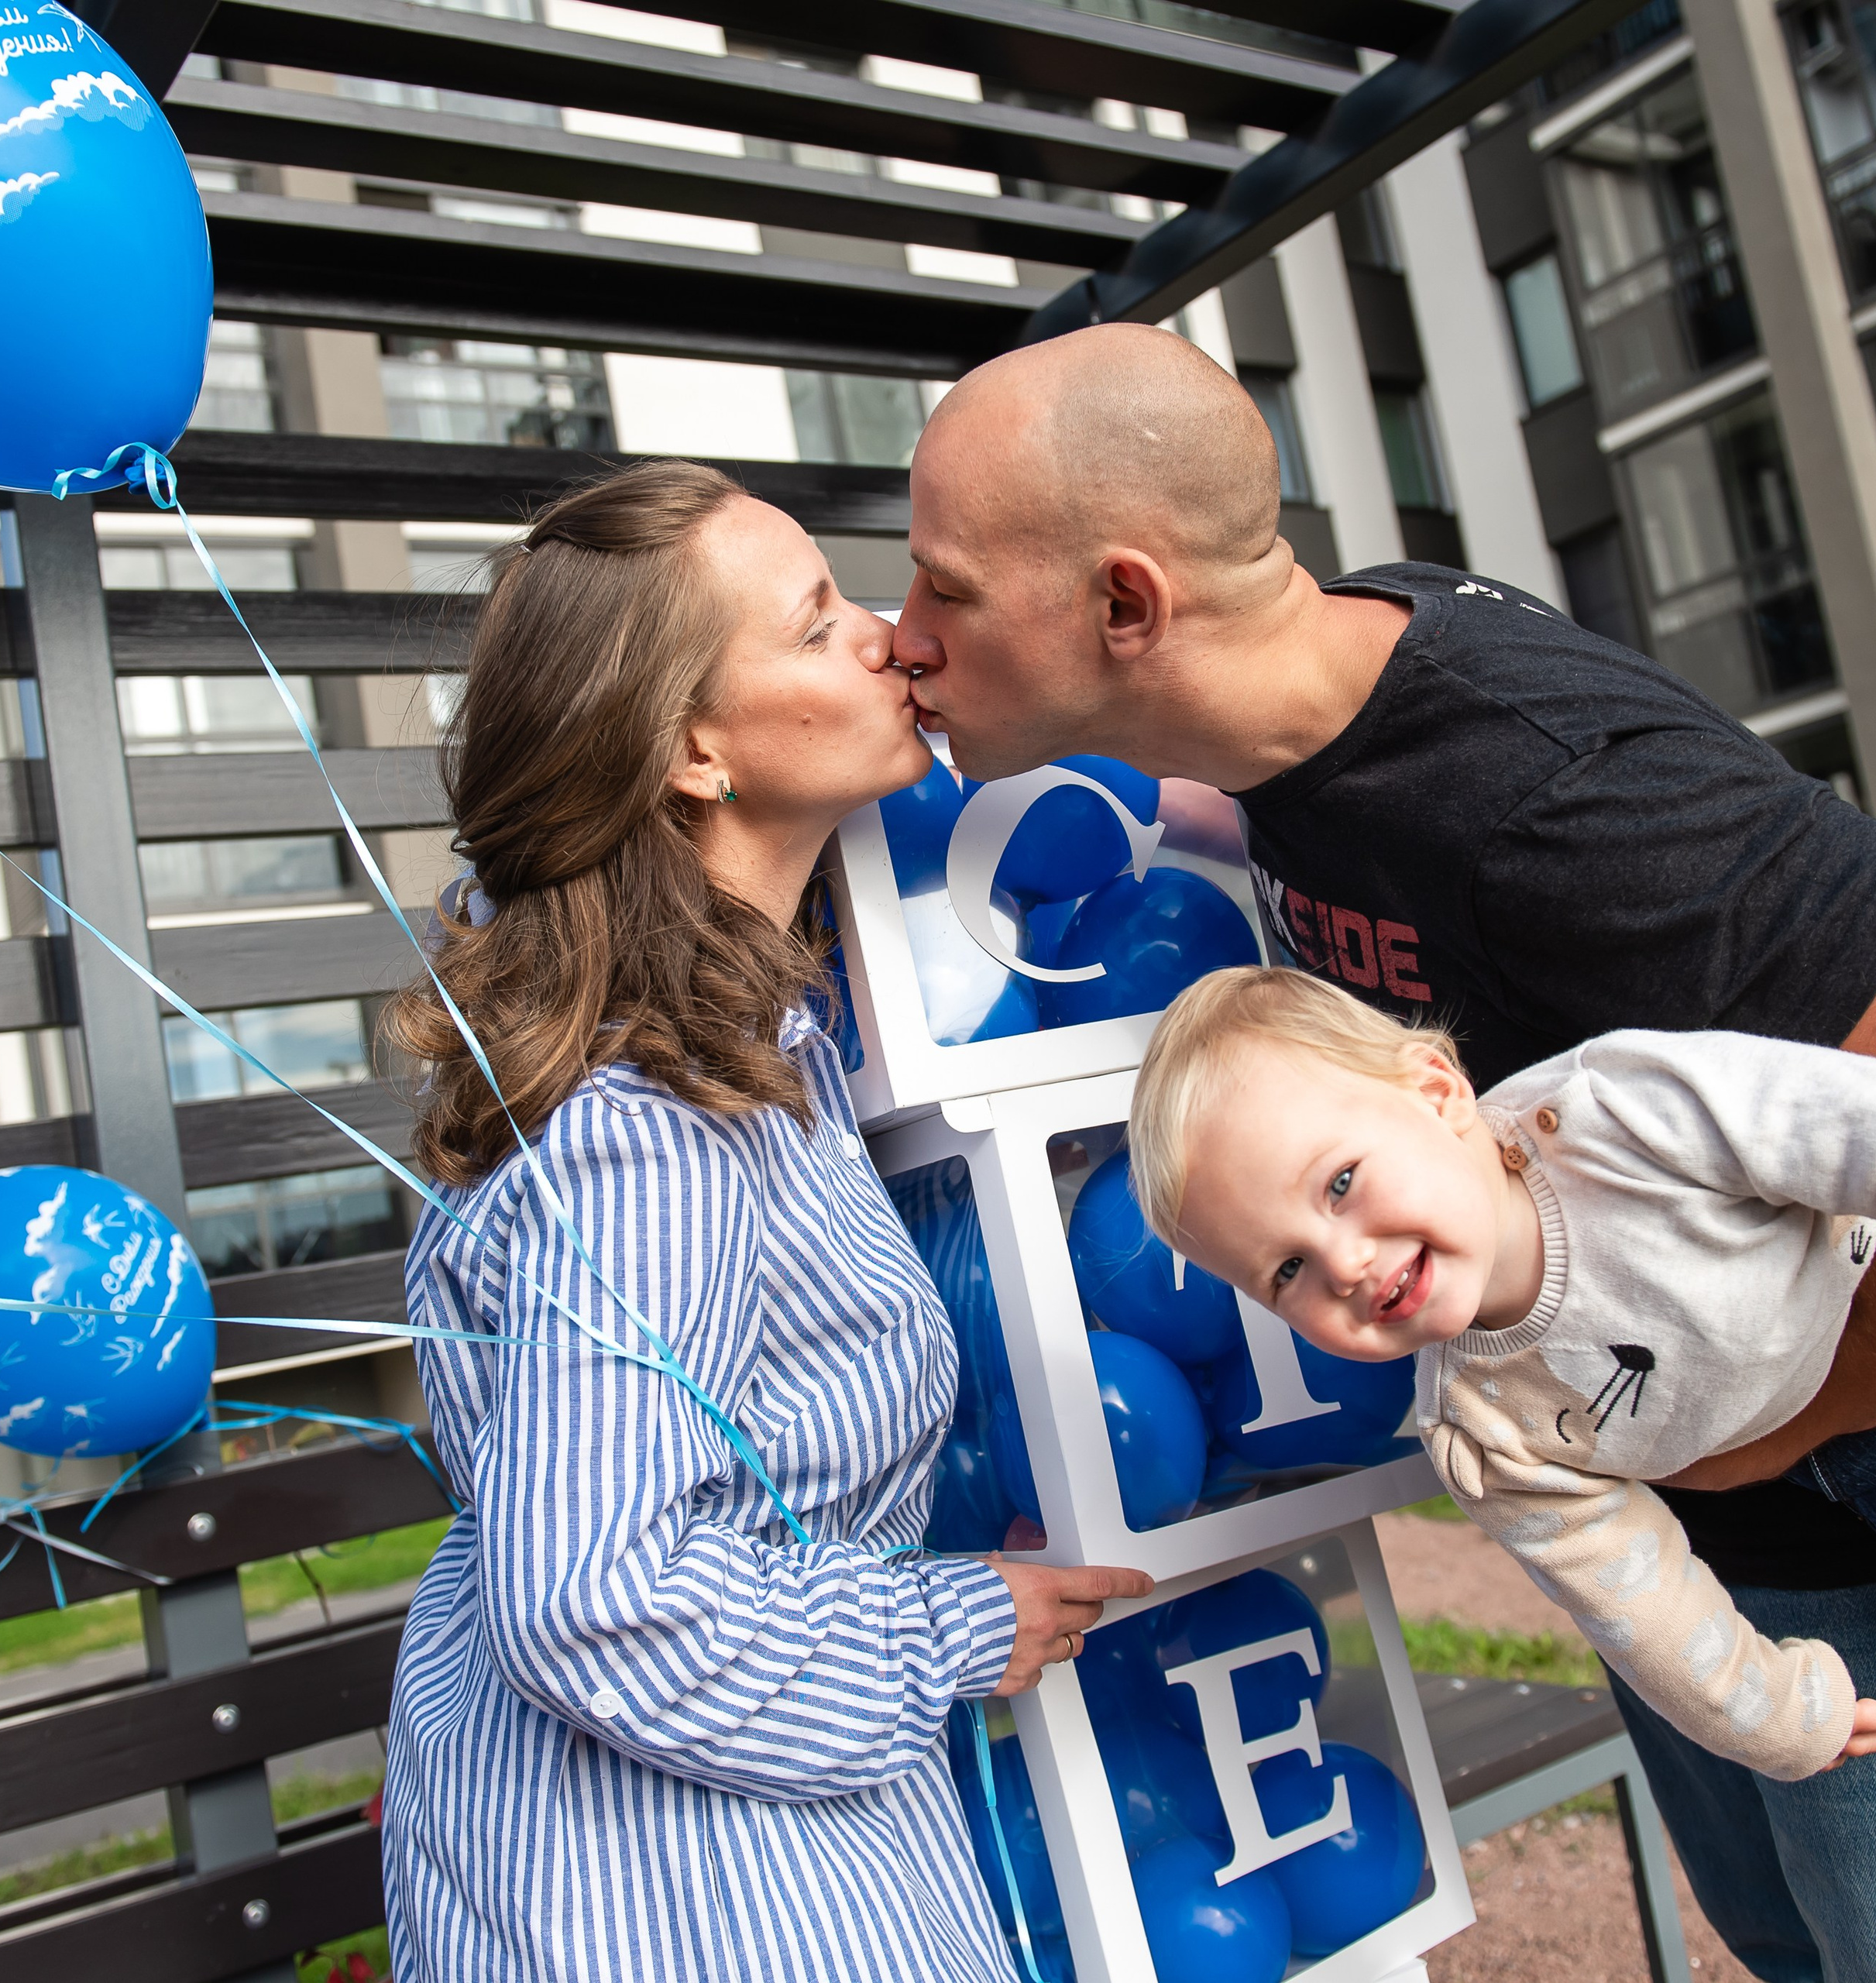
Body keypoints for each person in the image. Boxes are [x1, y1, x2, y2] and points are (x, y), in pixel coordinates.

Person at [894, 319, 1876, 1978]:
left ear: (1126, 605)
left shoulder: (1553, 794)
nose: (901, 639)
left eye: (942, 591)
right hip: (1681, 1565)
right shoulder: (1314, 689)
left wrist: (1708, 1441)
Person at [376, 459, 1151, 1982]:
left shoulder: (747, 1051)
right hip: (673, 1896)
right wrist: (945, 1622)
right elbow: (594, 1596)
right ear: (692, 750)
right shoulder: (647, 1131)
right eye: (813, 625)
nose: (880, 635)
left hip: (719, 1853)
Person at [1127, 964, 1876, 1779]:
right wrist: (1775, 1719)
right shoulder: (1481, 1429)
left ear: (1437, 1092)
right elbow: (1637, 1600)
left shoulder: (1622, 1116)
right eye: (1285, 1271)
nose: (1342, 1264)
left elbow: (1832, 1122)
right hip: (1781, 1477)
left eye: (1340, 1182)